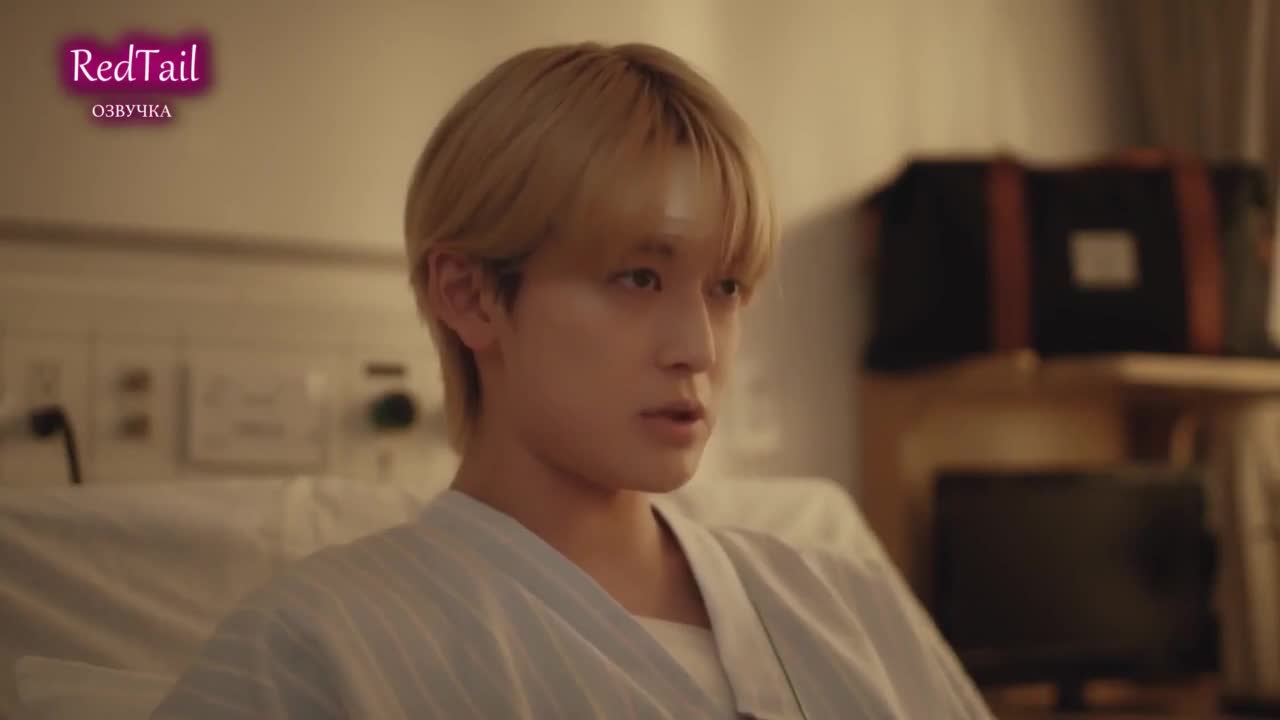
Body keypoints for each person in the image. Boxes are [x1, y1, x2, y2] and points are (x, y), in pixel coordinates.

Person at [150, 41, 994, 719]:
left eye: (727, 287)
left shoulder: (851, 608)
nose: (698, 348)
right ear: (469, 295)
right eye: (638, 278)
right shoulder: (319, 652)